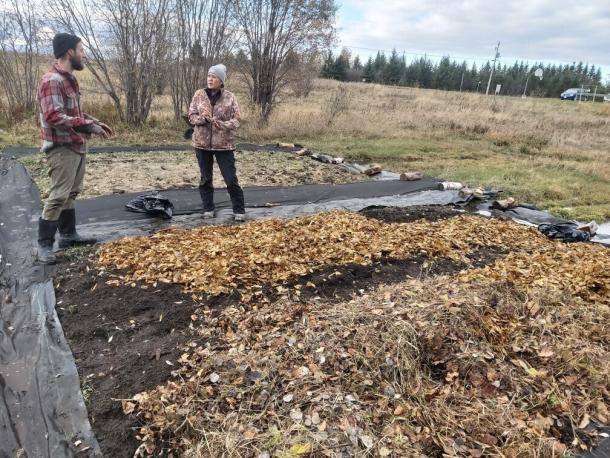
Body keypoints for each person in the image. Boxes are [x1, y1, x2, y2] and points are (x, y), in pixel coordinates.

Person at [36, 33, 113, 264]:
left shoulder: (69, 79)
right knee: (58, 195)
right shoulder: (52, 80)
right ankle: (44, 246)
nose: (83, 54)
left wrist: (94, 122)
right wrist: (86, 126)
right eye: (81, 50)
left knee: (72, 192)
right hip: (61, 147)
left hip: (77, 144)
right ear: (69, 51)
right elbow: (53, 115)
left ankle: (68, 235)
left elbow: (74, 113)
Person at [188, 64, 245, 221]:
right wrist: (201, 120)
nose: (210, 79)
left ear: (221, 80)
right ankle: (208, 209)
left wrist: (222, 124)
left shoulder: (230, 97)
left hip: (224, 145)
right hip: (202, 144)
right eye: (209, 76)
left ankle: (239, 210)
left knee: (230, 179)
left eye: (214, 77)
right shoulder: (199, 95)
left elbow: (237, 120)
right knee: (205, 179)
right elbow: (191, 116)